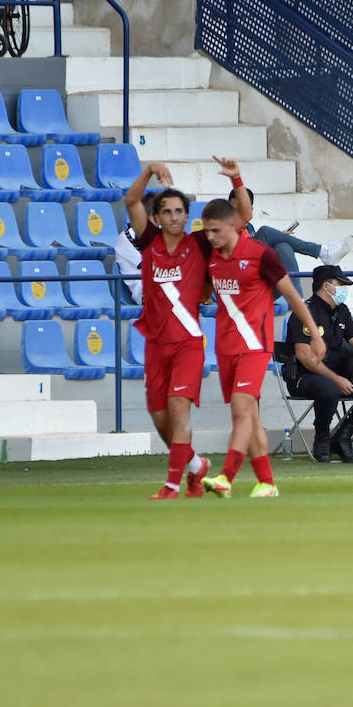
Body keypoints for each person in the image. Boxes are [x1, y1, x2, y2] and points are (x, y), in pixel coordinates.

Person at [197, 187, 326, 498]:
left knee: (242, 410)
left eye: (215, 230)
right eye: (206, 231)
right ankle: (267, 483)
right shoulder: (212, 258)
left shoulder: (260, 254)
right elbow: (203, 293)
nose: (209, 237)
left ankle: (226, 477)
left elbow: (293, 296)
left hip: (255, 344)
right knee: (250, 417)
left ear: (232, 225)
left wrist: (315, 334)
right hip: (226, 346)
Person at [124, 161, 215, 500]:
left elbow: (239, 220)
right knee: (160, 418)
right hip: (156, 344)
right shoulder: (149, 242)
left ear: (187, 215)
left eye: (179, 211)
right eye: (167, 211)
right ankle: (196, 466)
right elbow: (131, 200)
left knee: (178, 410)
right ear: (157, 217)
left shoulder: (200, 244)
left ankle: (172, 485)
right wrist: (149, 170)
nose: (174, 217)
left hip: (188, 343)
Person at [284, 265, 353, 462]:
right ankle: (322, 438)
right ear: (327, 286)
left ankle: (342, 436)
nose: (344, 289)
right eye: (340, 284)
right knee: (330, 389)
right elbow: (305, 356)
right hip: (304, 375)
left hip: (338, 374)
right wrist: (336, 379)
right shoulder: (305, 312)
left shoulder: (341, 310)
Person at [241, 186, 353, 298]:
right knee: (265, 232)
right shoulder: (231, 228)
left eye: (247, 207)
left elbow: (259, 250)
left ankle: (299, 299)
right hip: (242, 271)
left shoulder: (249, 227)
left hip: (261, 276)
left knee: (283, 247)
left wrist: (279, 236)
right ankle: (323, 252)